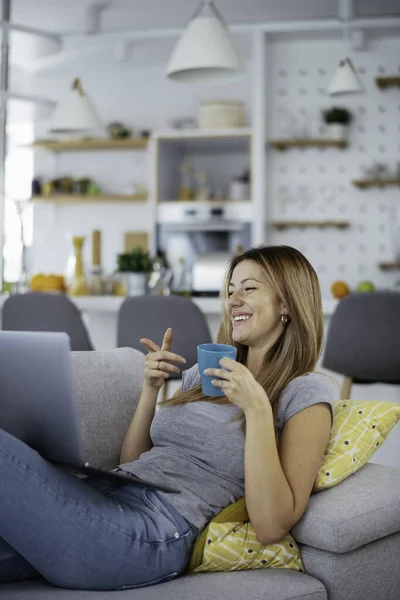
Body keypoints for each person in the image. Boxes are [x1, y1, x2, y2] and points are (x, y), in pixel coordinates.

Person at [0, 245, 334, 591]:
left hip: (153, 530)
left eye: (249, 289)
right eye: (230, 290)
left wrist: (258, 409)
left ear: (287, 304)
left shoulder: (304, 392)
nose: (233, 301)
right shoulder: (201, 376)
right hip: (106, 497)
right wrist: (150, 390)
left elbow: (271, 525)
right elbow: (135, 463)